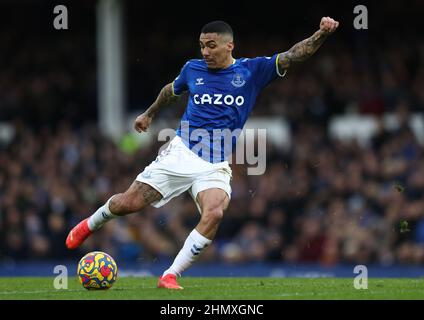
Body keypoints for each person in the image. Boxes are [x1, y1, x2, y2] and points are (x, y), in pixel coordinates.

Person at [66, 17, 339, 289]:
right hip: (181, 152)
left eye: (211, 45)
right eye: (202, 46)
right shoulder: (192, 69)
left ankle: (170, 275)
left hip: (215, 163)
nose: (205, 52)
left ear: (229, 45)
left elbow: (293, 56)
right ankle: (89, 224)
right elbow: (170, 91)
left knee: (215, 213)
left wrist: (321, 34)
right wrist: (149, 114)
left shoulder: (252, 70)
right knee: (127, 204)